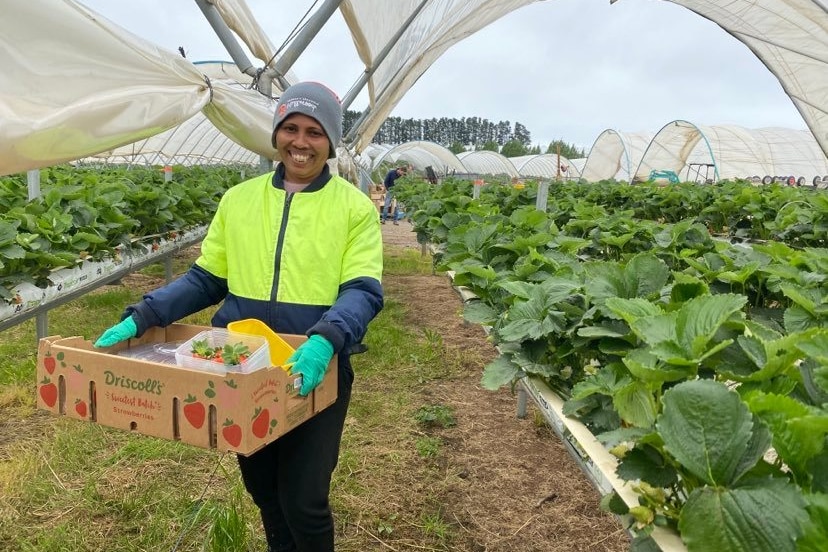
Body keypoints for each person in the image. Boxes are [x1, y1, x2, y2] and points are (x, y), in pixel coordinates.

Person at [93, 81, 384, 552]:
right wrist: (145, 314)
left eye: (314, 131)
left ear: (330, 141)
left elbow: (362, 291)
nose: (300, 142)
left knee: (305, 498)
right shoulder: (240, 200)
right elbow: (206, 279)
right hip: (240, 368)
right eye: (290, 128)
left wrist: (325, 340)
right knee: (264, 491)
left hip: (314, 364)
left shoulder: (353, 208)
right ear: (276, 135)